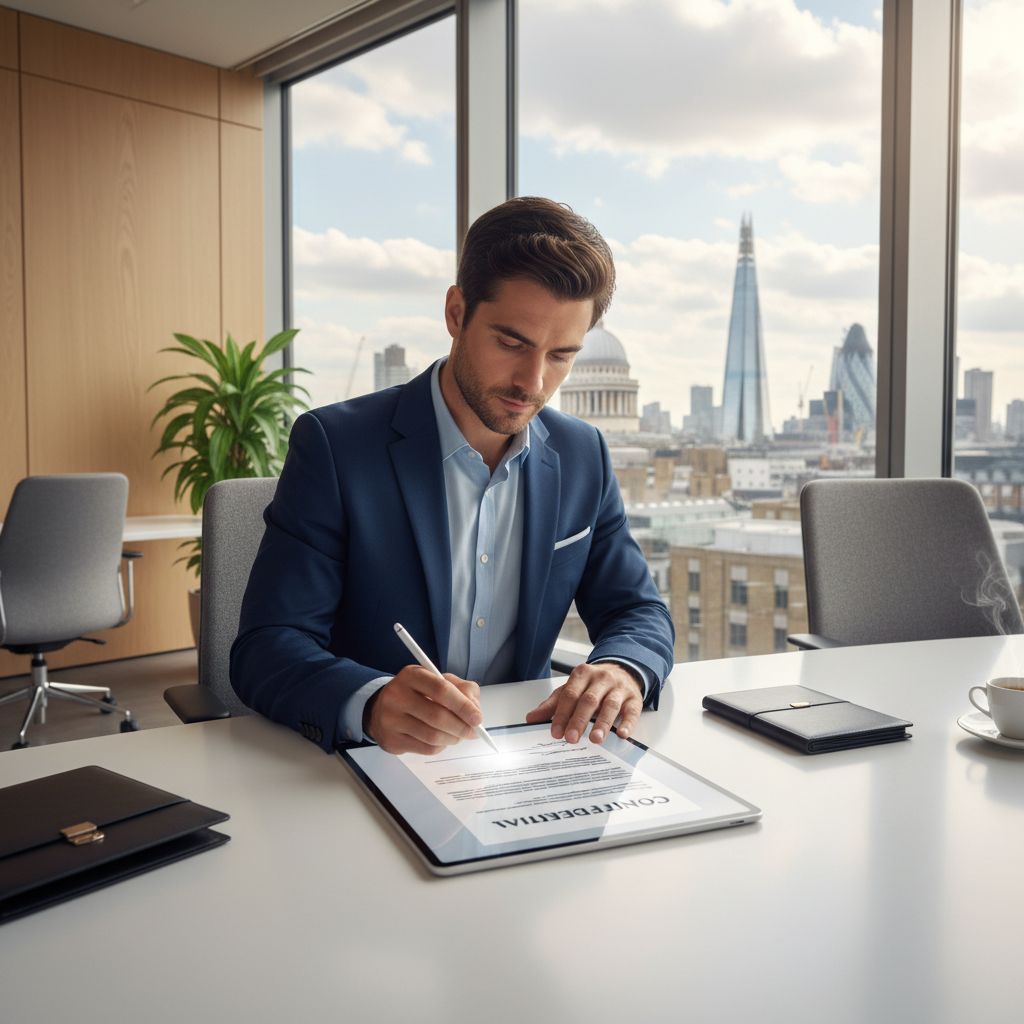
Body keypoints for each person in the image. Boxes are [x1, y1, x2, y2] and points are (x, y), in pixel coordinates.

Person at [231, 197, 674, 756]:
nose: (532, 382)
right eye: (512, 343)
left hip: (525, 760)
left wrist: (622, 668)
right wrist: (368, 700)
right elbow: (267, 647)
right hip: (377, 764)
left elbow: (638, 610)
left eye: (561, 355)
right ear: (457, 313)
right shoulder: (336, 447)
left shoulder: (583, 453)